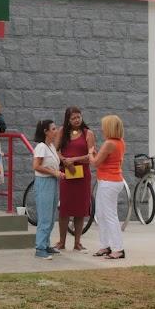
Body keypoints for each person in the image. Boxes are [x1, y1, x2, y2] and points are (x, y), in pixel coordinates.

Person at [55, 106, 96, 251]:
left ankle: (77, 242)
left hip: (82, 176)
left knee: (80, 209)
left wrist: (73, 159)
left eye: (79, 117)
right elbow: (56, 151)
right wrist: (65, 160)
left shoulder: (88, 133)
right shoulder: (61, 132)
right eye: (73, 118)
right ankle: (61, 241)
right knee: (65, 208)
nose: (77, 120)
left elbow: (91, 156)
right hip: (66, 174)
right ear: (68, 119)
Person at [88, 114, 126, 260]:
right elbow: (108, 160)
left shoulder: (109, 143)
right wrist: (96, 155)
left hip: (109, 182)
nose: (102, 129)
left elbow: (95, 163)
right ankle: (105, 245)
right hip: (111, 181)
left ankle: (118, 249)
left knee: (109, 215)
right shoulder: (120, 142)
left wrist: (91, 153)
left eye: (104, 126)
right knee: (101, 215)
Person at [32, 119, 63, 260]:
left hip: (52, 182)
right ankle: (40, 248)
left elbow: (53, 165)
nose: (56, 131)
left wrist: (58, 172)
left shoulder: (50, 146)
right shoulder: (41, 147)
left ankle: (46, 244)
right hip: (44, 183)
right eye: (53, 129)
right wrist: (54, 173)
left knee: (50, 217)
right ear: (46, 131)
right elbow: (36, 166)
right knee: (44, 217)